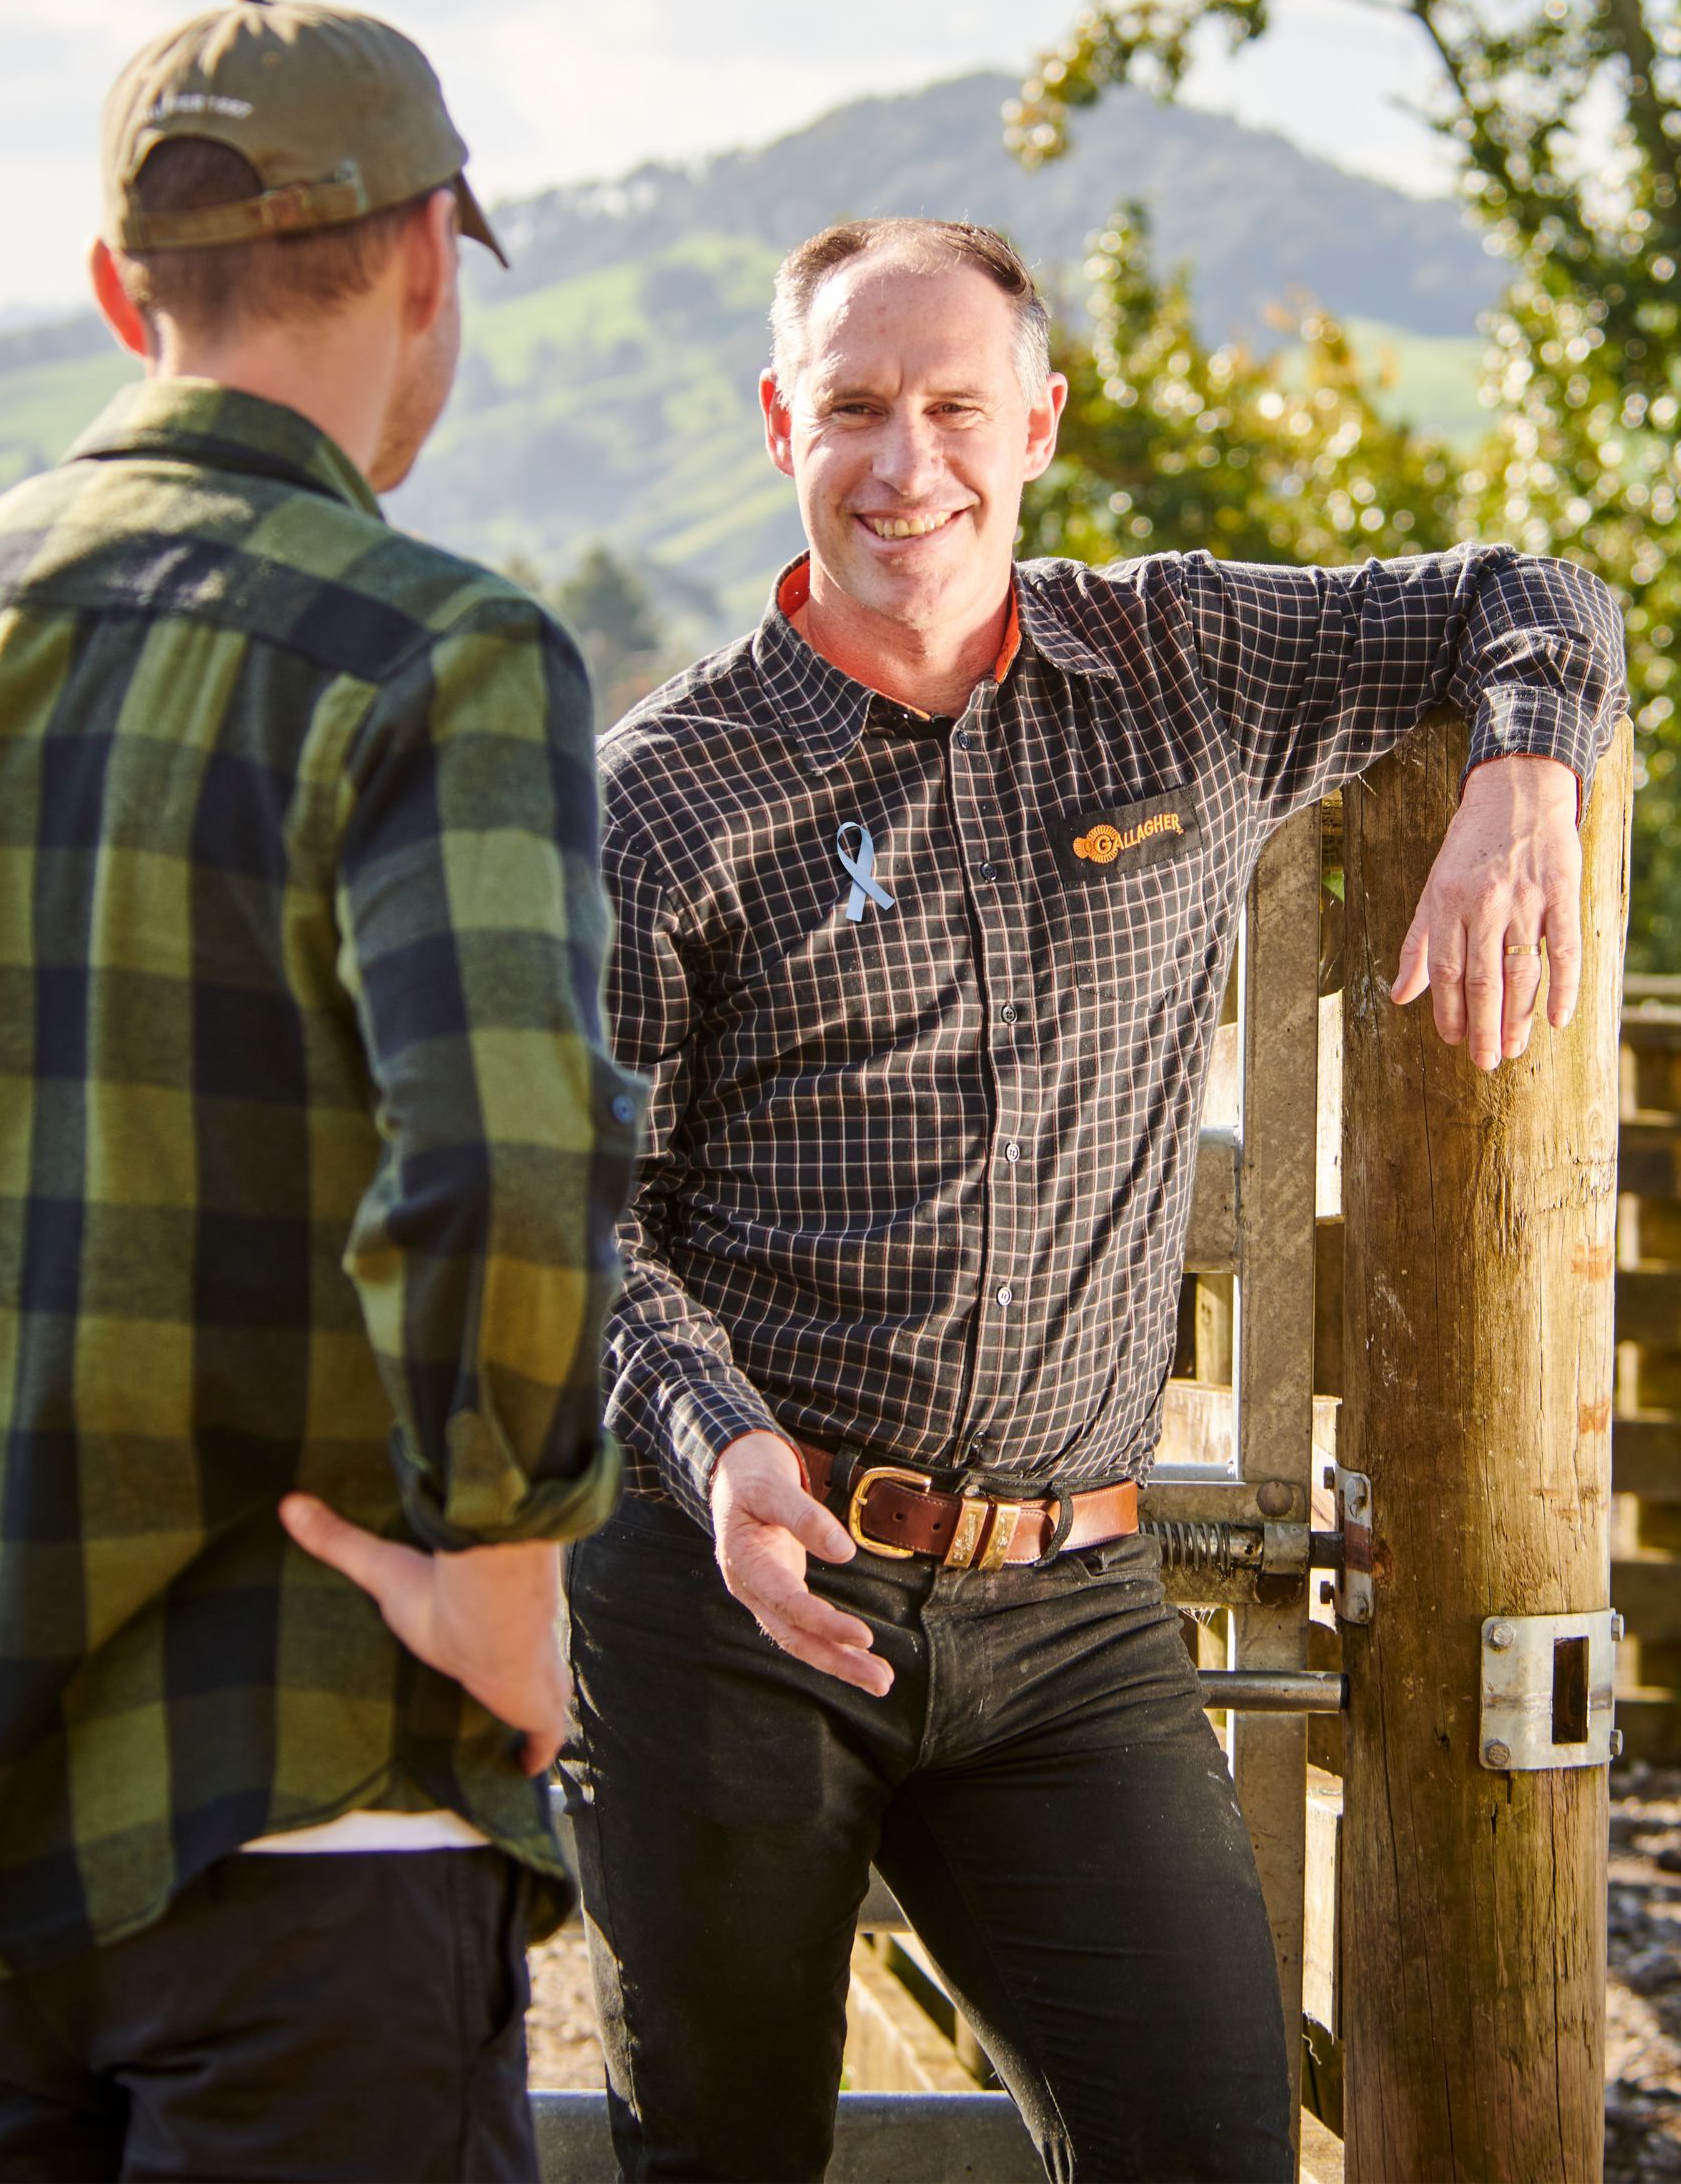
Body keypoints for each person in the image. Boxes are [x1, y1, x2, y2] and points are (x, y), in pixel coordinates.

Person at [560, 215, 1627, 2184]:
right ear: (776, 421)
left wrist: (1523, 787)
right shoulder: (661, 795)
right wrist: (715, 1449)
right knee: (718, 2162)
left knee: (1210, 2151)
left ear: (1036, 421)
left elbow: (1530, 592)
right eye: (857, 408)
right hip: (735, 1598)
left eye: (956, 405)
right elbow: (576, 1216)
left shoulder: (1185, 666)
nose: (909, 465)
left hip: (1066, 1611)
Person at [0, 0, 639, 2184]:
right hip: (319, 1815)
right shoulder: (441, 654)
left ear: (124, 292)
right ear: (425, 266)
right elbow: (501, 1147)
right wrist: (503, 1550)